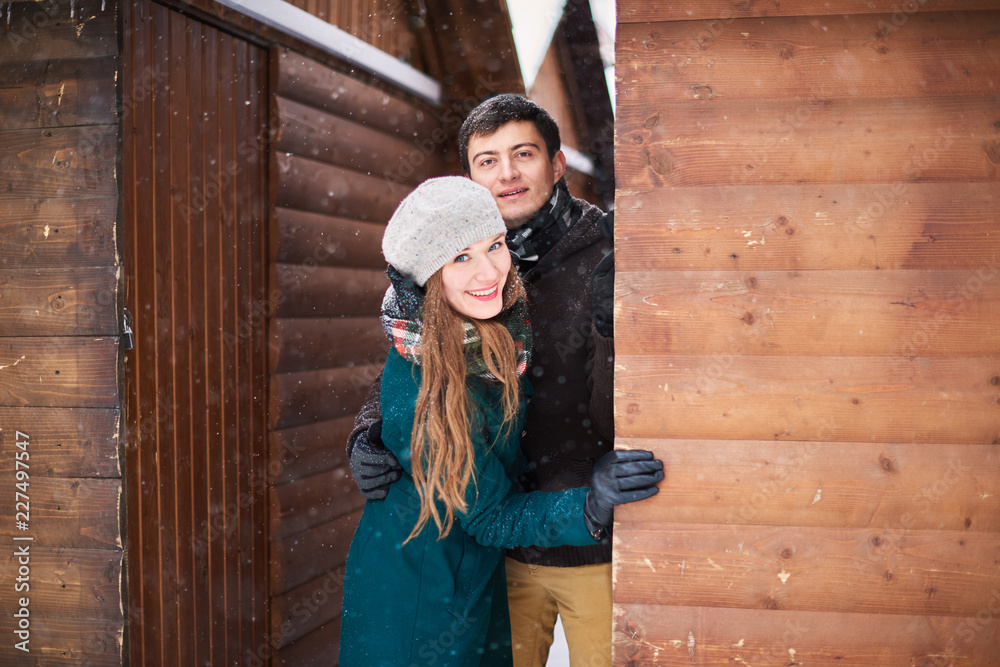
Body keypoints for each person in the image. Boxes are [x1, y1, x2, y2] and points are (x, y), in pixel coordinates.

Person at [338, 176, 662, 666]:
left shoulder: (480, 326)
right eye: (460, 257)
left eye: (494, 245)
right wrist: (590, 504)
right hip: (420, 605)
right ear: (428, 278)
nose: (489, 270)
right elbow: (489, 516)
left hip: (462, 576)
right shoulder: (432, 381)